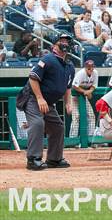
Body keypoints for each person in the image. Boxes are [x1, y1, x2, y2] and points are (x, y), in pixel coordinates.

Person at [18, 34, 75, 170]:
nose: (65, 43)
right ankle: (33, 159)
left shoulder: (70, 65)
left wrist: (68, 102)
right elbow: (33, 77)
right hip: (33, 98)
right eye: (62, 41)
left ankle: (54, 159)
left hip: (48, 102)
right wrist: (39, 98)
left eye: (67, 41)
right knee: (38, 123)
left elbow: (67, 87)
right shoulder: (48, 59)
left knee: (58, 127)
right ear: (54, 45)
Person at [69, 60, 98, 138]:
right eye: (89, 67)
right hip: (74, 96)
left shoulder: (95, 73)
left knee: (91, 116)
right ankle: (72, 139)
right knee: (76, 116)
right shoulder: (81, 73)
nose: (91, 69)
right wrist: (85, 91)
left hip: (83, 96)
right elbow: (74, 86)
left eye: (92, 67)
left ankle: (90, 137)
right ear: (85, 67)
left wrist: (89, 91)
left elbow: (94, 85)